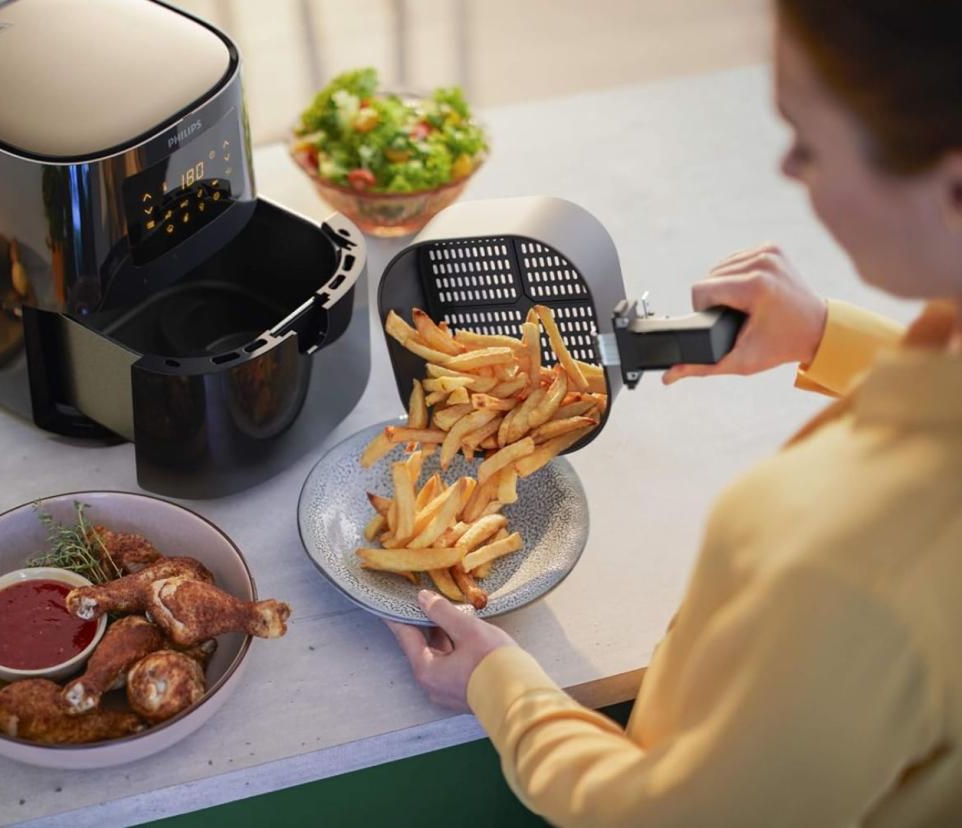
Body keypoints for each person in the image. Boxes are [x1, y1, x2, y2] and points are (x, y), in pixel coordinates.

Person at [387, 2, 962, 825]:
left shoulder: (862, 570)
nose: (791, 171)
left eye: (807, 141)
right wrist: (829, 338)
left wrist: (497, 683)